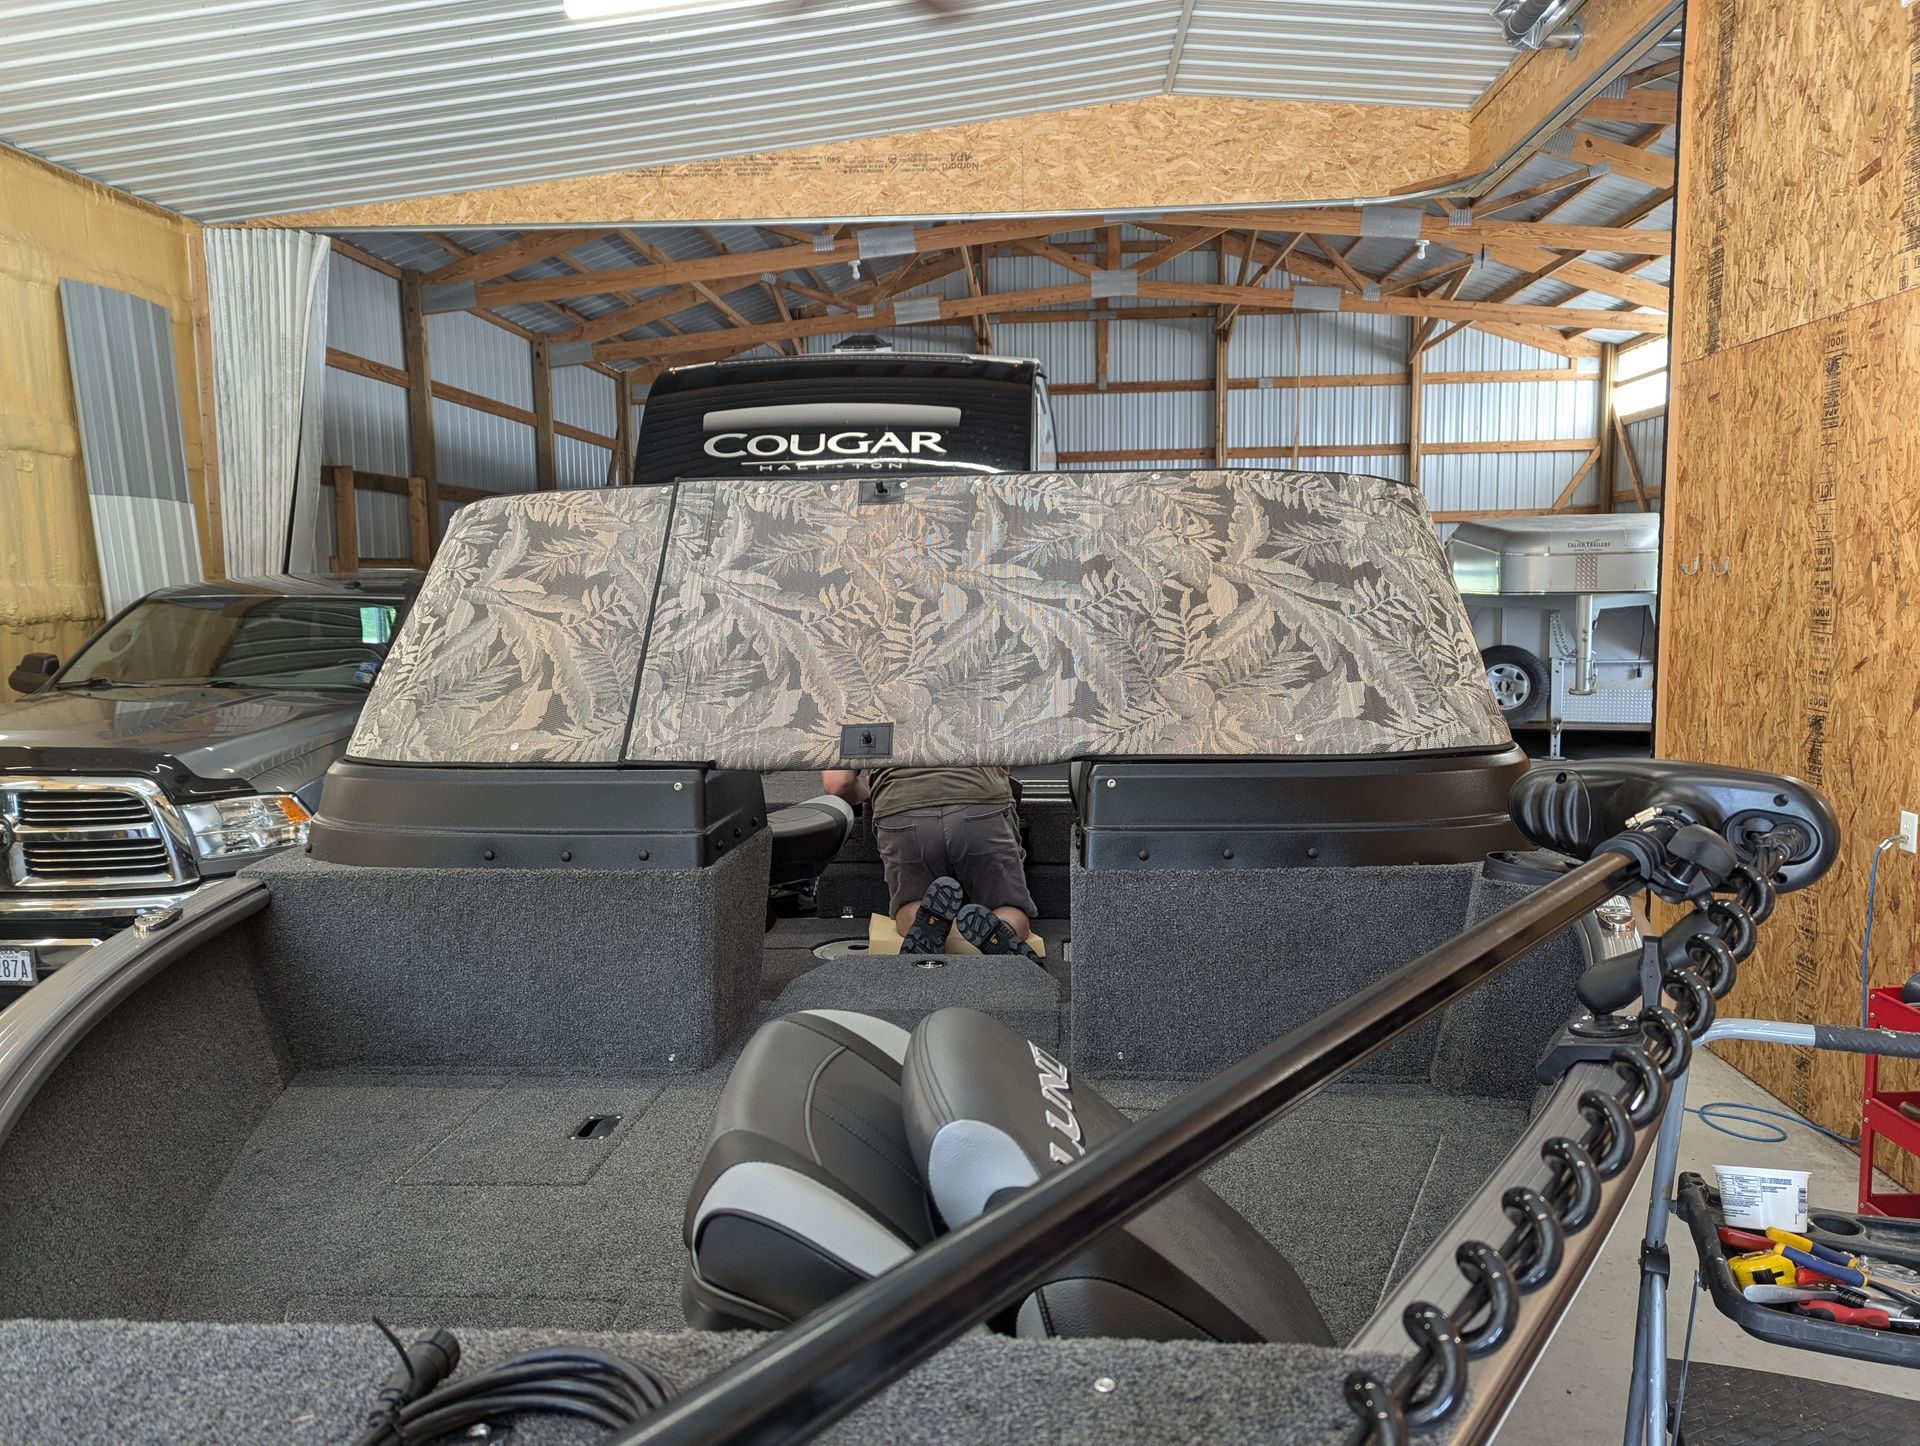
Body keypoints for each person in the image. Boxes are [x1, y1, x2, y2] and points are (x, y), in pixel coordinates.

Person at [820, 764, 1039, 960]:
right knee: (1008, 907)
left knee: (911, 905)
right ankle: (1000, 930)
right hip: (979, 802)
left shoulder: (858, 714)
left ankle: (926, 920)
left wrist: (875, 784)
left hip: (901, 806)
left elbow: (838, 784)